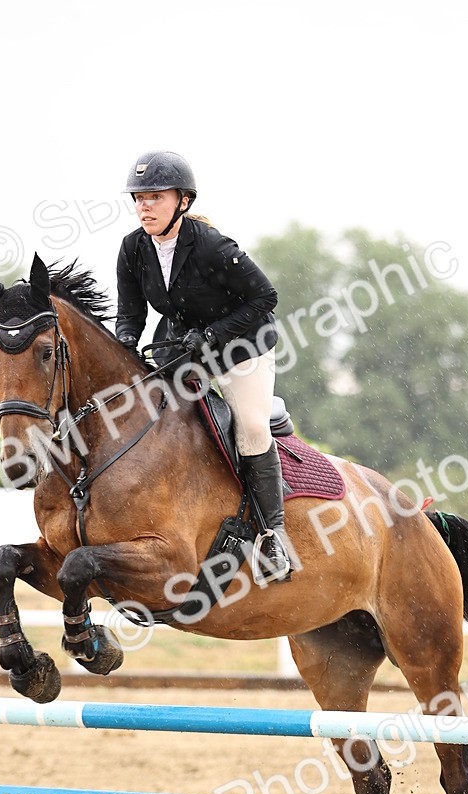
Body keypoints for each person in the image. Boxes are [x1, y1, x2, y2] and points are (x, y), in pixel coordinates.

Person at [115, 150, 290, 582]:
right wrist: (122, 350)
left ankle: (273, 535)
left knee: (250, 427)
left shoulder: (212, 246)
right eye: (138, 198)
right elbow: (131, 315)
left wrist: (212, 335)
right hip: (181, 345)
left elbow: (264, 298)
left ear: (183, 201)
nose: (144, 207)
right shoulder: (133, 248)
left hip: (240, 346)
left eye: (155, 197)